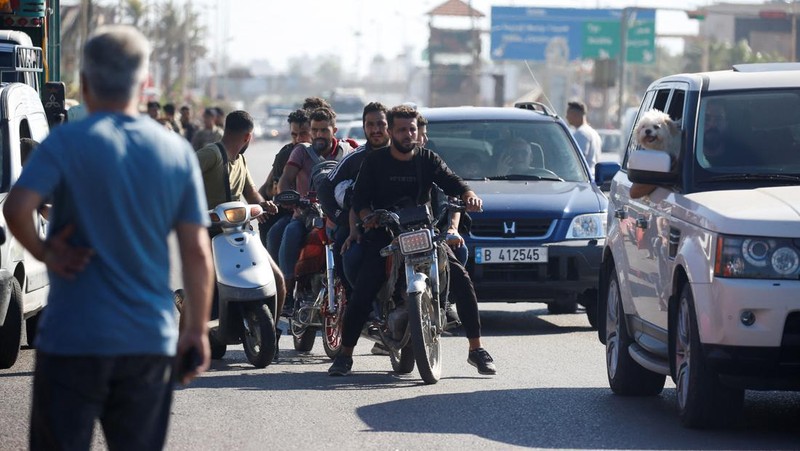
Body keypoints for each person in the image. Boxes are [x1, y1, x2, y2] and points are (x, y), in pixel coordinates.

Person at [2, 25, 214, 450]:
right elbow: (196, 253)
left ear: (84, 82)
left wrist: (46, 251)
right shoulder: (174, 151)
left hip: (71, 342)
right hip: (147, 342)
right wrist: (195, 332)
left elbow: (16, 208)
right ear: (143, 82)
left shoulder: (65, 142)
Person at [328, 104, 497, 377]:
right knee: (364, 288)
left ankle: (476, 349)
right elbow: (359, 199)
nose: (408, 134)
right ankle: (345, 355)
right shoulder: (375, 161)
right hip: (385, 233)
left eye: (412, 129)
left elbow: (453, 182)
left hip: (423, 231)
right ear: (392, 132)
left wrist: (469, 196)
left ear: (419, 131)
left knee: (461, 278)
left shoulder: (428, 159)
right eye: (402, 130)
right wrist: (368, 216)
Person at [195, 110, 286, 319]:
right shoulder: (212, 154)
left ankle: (272, 337)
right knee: (203, 291)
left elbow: (251, 193)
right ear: (248, 137)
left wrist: (265, 205)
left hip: (239, 234)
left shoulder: (240, 161)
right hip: (210, 234)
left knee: (277, 281)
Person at [317, 102, 391, 355]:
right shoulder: (356, 158)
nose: (376, 129)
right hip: (357, 228)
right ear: (364, 127)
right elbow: (326, 187)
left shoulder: (406, 155)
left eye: (381, 123)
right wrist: (341, 219)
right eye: (370, 124)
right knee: (348, 254)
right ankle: (359, 305)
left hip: (398, 229)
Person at [268, 106, 355, 316]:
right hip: (307, 215)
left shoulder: (348, 152)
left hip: (338, 215)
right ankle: (286, 294)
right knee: (290, 233)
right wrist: (293, 199)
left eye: (324, 130)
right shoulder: (301, 151)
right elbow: (286, 180)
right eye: (315, 130)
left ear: (334, 130)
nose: (318, 135)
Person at [566, 101, 601, 175]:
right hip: (593, 176)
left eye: (568, 114)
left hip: (583, 177)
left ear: (575, 115)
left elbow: (577, 160)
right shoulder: (594, 132)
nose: (566, 117)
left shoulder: (581, 133)